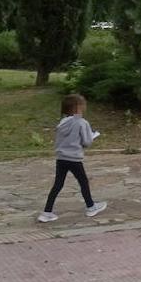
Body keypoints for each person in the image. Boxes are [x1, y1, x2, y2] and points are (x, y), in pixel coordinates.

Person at [38, 95, 107, 223]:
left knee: (58, 185)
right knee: (83, 182)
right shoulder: (82, 122)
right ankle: (91, 206)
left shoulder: (62, 122)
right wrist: (92, 136)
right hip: (74, 158)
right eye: (83, 105)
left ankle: (47, 212)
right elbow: (87, 142)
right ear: (78, 108)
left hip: (61, 158)